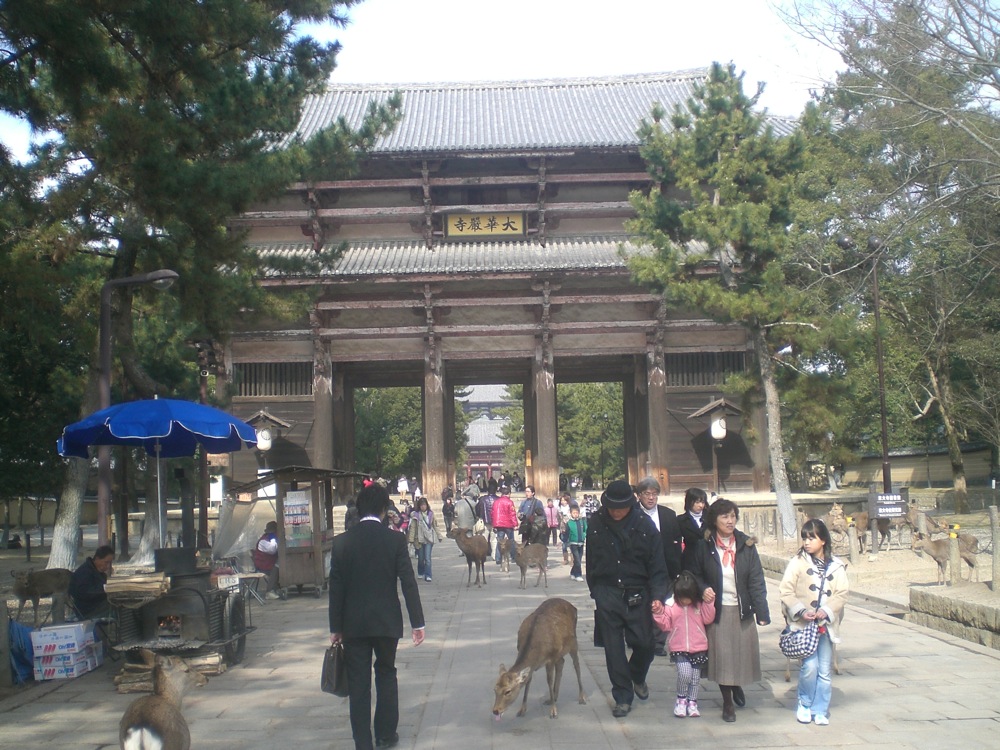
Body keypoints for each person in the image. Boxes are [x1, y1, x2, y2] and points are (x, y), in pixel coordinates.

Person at [329, 483, 426, 750]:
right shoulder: (395, 540)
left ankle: (362, 741)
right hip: (386, 622)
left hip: (353, 624)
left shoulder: (341, 543)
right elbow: (408, 582)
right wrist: (418, 622)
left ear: (359, 509)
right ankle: (385, 734)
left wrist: (335, 626)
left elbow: (335, 588)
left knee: (359, 683)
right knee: (386, 674)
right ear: (385, 510)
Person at [585, 480, 669, 718]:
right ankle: (622, 696)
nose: (616, 511)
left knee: (645, 644)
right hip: (608, 592)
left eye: (620, 507)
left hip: (637, 592)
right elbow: (591, 558)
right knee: (613, 650)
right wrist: (596, 592)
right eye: (612, 507)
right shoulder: (596, 523)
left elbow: (657, 564)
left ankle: (637, 674)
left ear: (631, 505)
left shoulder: (645, 525)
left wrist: (658, 595)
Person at [683, 497, 770, 722]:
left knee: (740, 656)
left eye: (733, 516)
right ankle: (727, 703)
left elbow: (756, 579)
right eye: (725, 516)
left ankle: (736, 684)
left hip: (741, 608)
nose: (730, 521)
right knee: (722, 658)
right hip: (718, 610)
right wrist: (703, 589)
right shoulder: (705, 546)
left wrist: (762, 612)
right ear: (714, 520)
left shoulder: (745, 545)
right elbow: (695, 573)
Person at [779, 519, 849, 726]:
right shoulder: (797, 562)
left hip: (826, 624)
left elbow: (842, 593)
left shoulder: (836, 565)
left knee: (825, 669)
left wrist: (826, 611)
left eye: (812, 538)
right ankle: (804, 703)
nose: (807, 542)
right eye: (804, 538)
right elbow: (785, 590)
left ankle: (820, 709)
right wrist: (800, 611)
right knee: (810, 666)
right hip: (803, 625)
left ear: (823, 540)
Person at [652, 570, 716, 719]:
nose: (686, 601)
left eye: (688, 598)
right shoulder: (671, 606)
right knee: (685, 673)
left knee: (695, 678)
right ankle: (681, 700)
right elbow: (666, 625)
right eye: (683, 598)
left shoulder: (699, 605)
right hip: (679, 647)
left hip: (698, 647)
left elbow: (708, 618)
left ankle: (692, 702)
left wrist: (709, 602)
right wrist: (659, 613)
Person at [635, 476, 683, 656]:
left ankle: (658, 642)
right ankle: (640, 638)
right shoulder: (633, 514)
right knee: (642, 605)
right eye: (647, 494)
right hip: (640, 569)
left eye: (654, 494)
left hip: (665, 568)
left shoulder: (668, 515)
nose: (651, 498)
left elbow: (677, 542)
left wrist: (677, 567)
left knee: (663, 604)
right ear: (639, 495)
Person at [69, 545, 114, 618]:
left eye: (109, 563)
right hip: (87, 611)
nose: (108, 566)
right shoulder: (84, 572)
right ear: (97, 559)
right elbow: (84, 594)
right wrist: (106, 591)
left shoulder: (99, 573)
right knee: (118, 606)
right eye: (106, 562)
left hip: (96, 606)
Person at [409, 496, 440, 582]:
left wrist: (439, 535)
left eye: (424, 505)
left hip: (428, 539)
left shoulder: (431, 514)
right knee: (421, 558)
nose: (423, 507)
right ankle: (421, 571)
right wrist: (411, 539)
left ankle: (428, 574)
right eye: (421, 505)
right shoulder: (415, 516)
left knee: (428, 558)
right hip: (419, 539)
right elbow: (413, 528)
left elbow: (435, 525)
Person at [253, 520, 285, 600]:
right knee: (279, 564)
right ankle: (269, 591)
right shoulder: (263, 541)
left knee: (282, 562)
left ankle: (277, 588)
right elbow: (272, 549)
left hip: (269, 562)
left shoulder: (271, 539)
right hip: (263, 565)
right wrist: (273, 539)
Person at [565, 503, 587, 582]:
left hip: (581, 543)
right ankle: (578, 574)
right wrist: (564, 540)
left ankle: (573, 572)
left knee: (579, 559)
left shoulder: (582, 521)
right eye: (574, 513)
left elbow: (585, 529)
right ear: (571, 513)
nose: (575, 514)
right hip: (573, 543)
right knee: (577, 559)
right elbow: (566, 533)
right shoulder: (569, 523)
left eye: (577, 513)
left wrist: (584, 535)